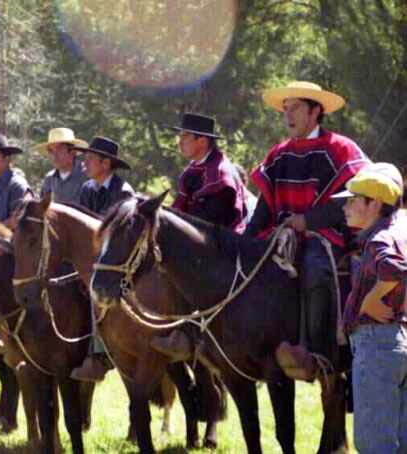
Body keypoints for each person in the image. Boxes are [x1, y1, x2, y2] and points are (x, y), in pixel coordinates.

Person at [246, 81, 370, 381]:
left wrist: (309, 221)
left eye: (296, 108)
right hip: (282, 236)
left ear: (315, 111)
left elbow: (357, 199)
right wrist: (245, 241)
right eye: (285, 109)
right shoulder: (278, 154)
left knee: (314, 266)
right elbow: (264, 207)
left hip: (327, 235)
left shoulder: (341, 148)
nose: (288, 115)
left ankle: (319, 353)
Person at [150, 113, 249, 359]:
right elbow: (181, 211)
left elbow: (214, 219)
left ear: (202, 141)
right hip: (199, 243)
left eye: (185, 136)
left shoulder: (220, 173)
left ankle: (191, 334)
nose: (179, 141)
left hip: (224, 245)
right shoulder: (192, 170)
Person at [335, 163, 406, 453]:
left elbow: (396, 269)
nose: (345, 207)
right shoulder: (400, 231)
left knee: (374, 444)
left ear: (374, 204)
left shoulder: (379, 239)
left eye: (353, 200)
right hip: (398, 341)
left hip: (378, 346)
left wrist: (371, 300)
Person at [71, 136, 134, 382]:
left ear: (105, 164)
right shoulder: (87, 189)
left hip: (118, 264)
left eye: (89, 159)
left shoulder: (123, 192)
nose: (84, 163)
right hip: (92, 260)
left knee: (98, 295)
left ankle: (100, 354)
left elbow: (118, 236)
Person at [37, 127, 89, 205]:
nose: (54, 155)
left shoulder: (87, 175)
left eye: (59, 149)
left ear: (73, 152)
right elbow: (43, 208)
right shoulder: (49, 179)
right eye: (50, 151)